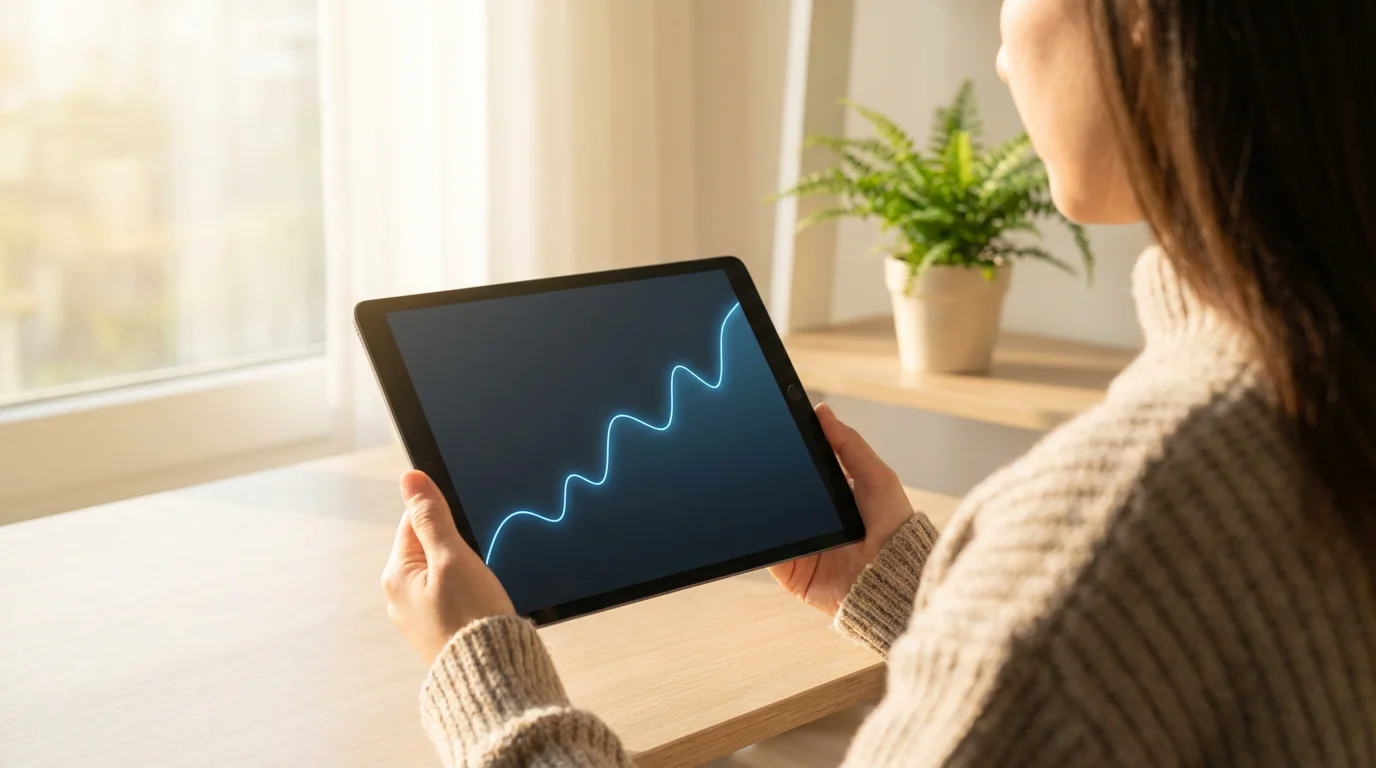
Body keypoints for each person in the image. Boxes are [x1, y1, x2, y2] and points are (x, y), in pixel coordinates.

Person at [380, 1, 1376, 765]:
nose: (998, 41)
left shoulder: (1115, 516)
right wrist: (921, 598)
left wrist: (490, 685)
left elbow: (1089, 614)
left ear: (1140, 27)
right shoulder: (1316, 390)